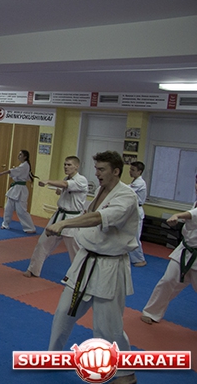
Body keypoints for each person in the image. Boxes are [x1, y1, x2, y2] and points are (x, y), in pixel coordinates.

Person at [45, 151, 139, 384]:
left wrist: (64, 223)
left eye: (101, 169)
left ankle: (126, 374)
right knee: (63, 313)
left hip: (109, 266)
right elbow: (90, 216)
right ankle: (54, 356)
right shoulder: (100, 190)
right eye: (96, 169)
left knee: (107, 326)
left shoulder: (126, 196)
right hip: (85, 262)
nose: (96, 174)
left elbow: (98, 218)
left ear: (116, 171)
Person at [141, 175, 197, 325]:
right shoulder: (196, 202)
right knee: (167, 280)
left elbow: (193, 215)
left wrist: (178, 215)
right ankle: (151, 312)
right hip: (185, 251)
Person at [23, 156, 88, 278]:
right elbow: (64, 186)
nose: (66, 167)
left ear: (77, 166)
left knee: (76, 250)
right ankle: (33, 269)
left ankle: (81, 277)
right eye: (65, 164)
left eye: (69, 165)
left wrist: (48, 181)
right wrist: (60, 191)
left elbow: (65, 184)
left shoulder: (82, 180)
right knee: (42, 243)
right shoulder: (66, 179)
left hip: (72, 219)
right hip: (58, 216)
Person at [0, 149, 37, 233]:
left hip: (21, 189)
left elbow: (13, 171)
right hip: (15, 188)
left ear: (25, 157)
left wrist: (2, 173)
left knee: (21, 211)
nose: (18, 156)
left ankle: (30, 228)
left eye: (20, 154)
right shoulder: (22, 165)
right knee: (8, 207)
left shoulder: (25, 165)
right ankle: (5, 224)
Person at [128, 161, 147, 267]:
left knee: (135, 237)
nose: (130, 172)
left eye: (133, 170)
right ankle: (129, 255)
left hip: (137, 210)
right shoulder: (135, 181)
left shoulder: (140, 182)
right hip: (132, 210)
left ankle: (140, 259)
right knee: (128, 235)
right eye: (130, 169)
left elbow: (127, 190)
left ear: (139, 171)